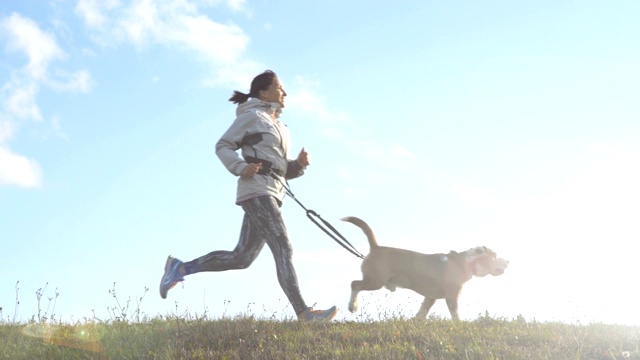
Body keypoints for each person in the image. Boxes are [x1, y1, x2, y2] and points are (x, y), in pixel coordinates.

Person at [159, 70, 337, 322]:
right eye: (279, 87)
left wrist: (298, 165)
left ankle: (181, 268)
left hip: (272, 192)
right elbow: (223, 145)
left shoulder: (281, 126)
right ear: (264, 92)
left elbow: (280, 169)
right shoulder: (251, 116)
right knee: (283, 246)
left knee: (242, 257)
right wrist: (241, 167)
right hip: (256, 191)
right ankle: (304, 313)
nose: (284, 93)